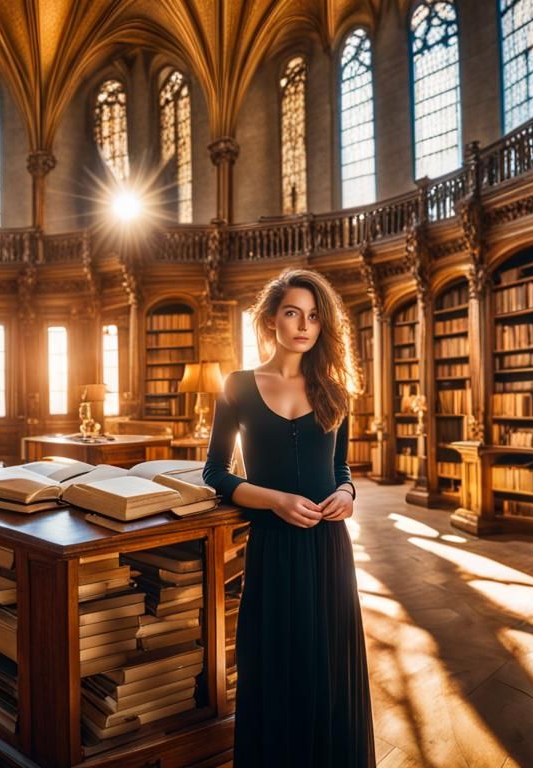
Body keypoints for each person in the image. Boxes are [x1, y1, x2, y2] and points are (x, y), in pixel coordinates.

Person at [203, 268, 375, 767]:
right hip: (274, 546)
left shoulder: (335, 391)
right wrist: (275, 500)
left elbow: (341, 468)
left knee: (329, 666)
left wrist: (347, 492)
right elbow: (215, 472)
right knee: (277, 664)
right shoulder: (237, 386)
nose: (303, 325)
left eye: (314, 317)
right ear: (271, 319)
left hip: (329, 549)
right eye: (293, 313)